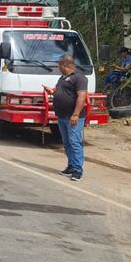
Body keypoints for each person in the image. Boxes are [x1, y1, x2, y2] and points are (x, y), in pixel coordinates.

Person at [43, 54, 88, 182]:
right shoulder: (63, 78)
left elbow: (82, 96)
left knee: (74, 142)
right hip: (62, 115)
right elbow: (62, 91)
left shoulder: (80, 78)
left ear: (64, 65)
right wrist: (52, 92)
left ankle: (78, 170)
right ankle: (71, 166)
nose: (58, 68)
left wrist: (75, 114)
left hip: (72, 116)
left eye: (58, 65)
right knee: (67, 142)